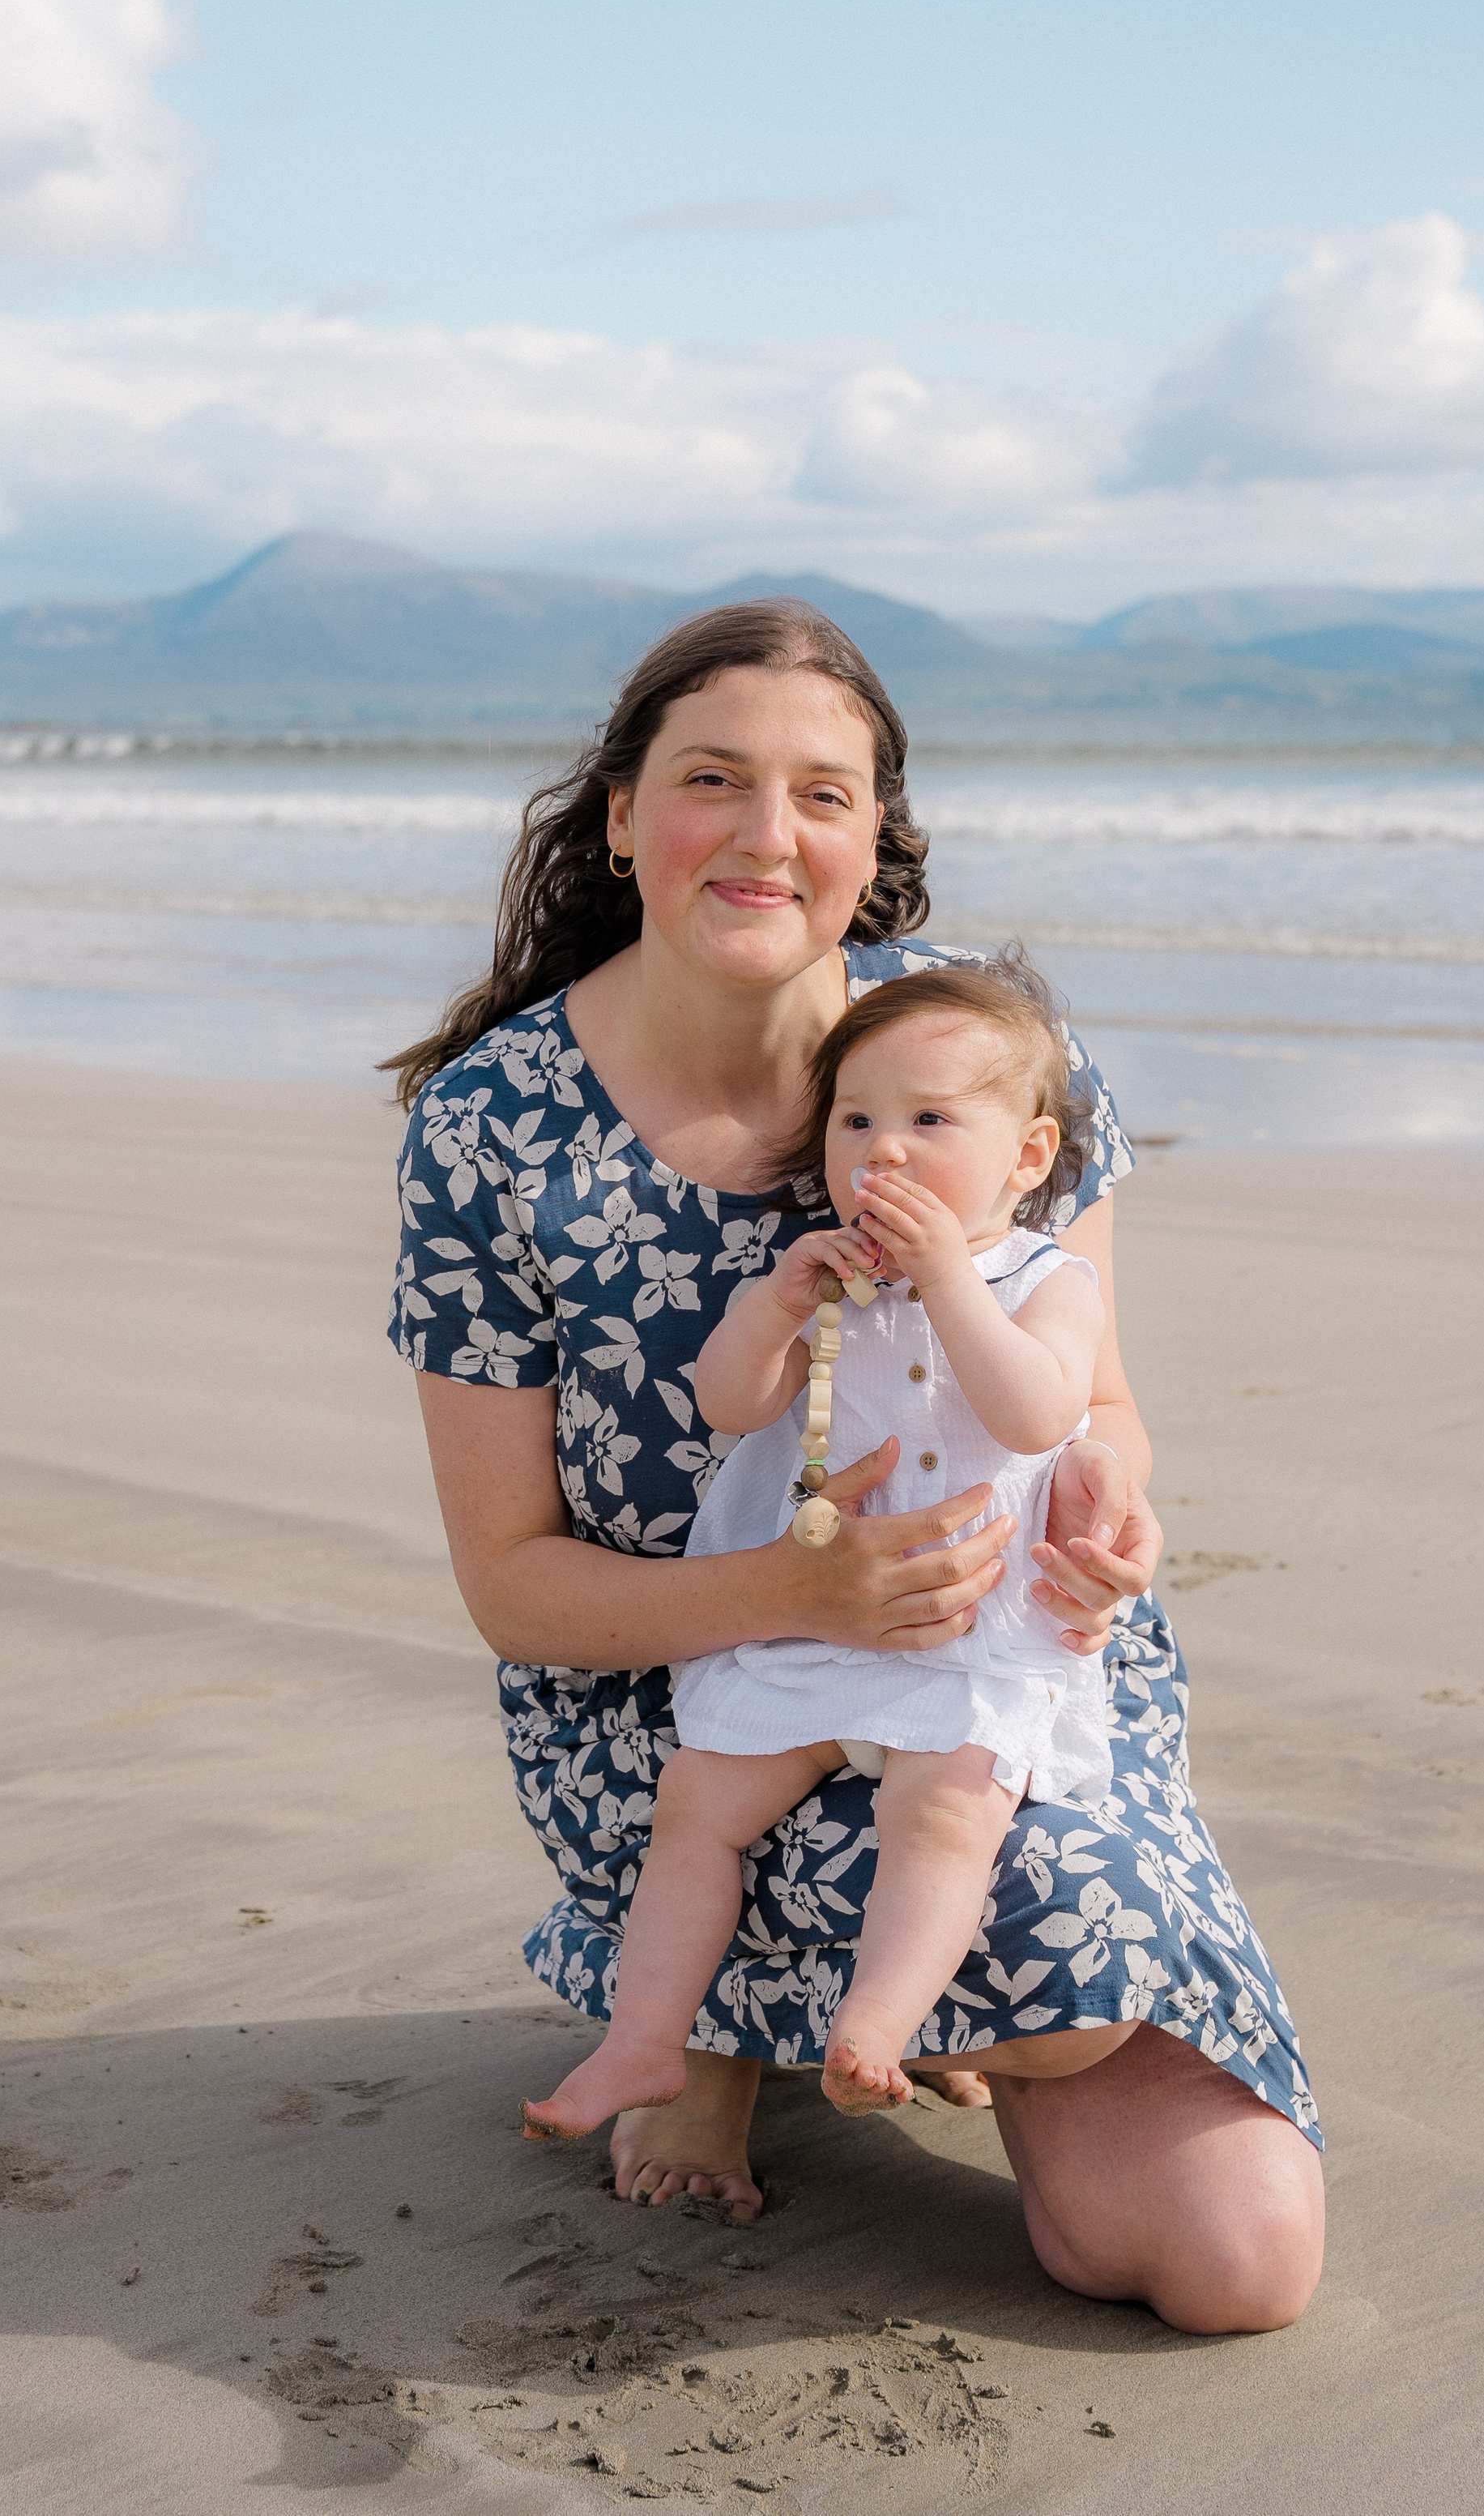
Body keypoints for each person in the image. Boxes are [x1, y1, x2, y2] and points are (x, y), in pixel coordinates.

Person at [387, 597, 1325, 2334]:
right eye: (713, 781)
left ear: (875, 831)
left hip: (983, 1676)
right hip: (684, 1707)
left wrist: (1114, 1513)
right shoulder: (492, 1128)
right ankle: (718, 2034)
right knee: (826, 1883)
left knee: (1236, 2264)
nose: (767, 835)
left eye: (823, 793)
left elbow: (1090, 1402)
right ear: (618, 816)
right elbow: (511, 1590)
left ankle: (923, 2017)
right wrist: (794, 1592)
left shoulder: (977, 1054)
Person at [522, 959, 1119, 2137]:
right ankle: (645, 2042)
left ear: (1030, 1159)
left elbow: (1038, 1413)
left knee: (944, 1815)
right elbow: (730, 1405)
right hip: (806, 1621)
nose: (882, 1152)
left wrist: (950, 1275)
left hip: (965, 1638)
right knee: (699, 1805)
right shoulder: (824, 1276)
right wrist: (775, 1310)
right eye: (857, 1121)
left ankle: (882, 2024)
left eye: (929, 1122)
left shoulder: (1049, 1280)